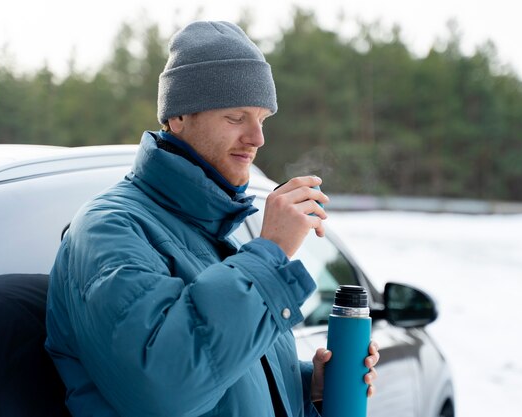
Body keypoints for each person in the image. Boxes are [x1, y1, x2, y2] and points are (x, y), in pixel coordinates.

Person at [45, 20, 379, 417]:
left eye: (262, 119)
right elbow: (166, 388)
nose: (257, 138)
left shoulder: (214, 237)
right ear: (179, 116)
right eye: (236, 118)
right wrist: (270, 251)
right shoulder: (109, 229)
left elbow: (224, 375)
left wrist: (308, 387)